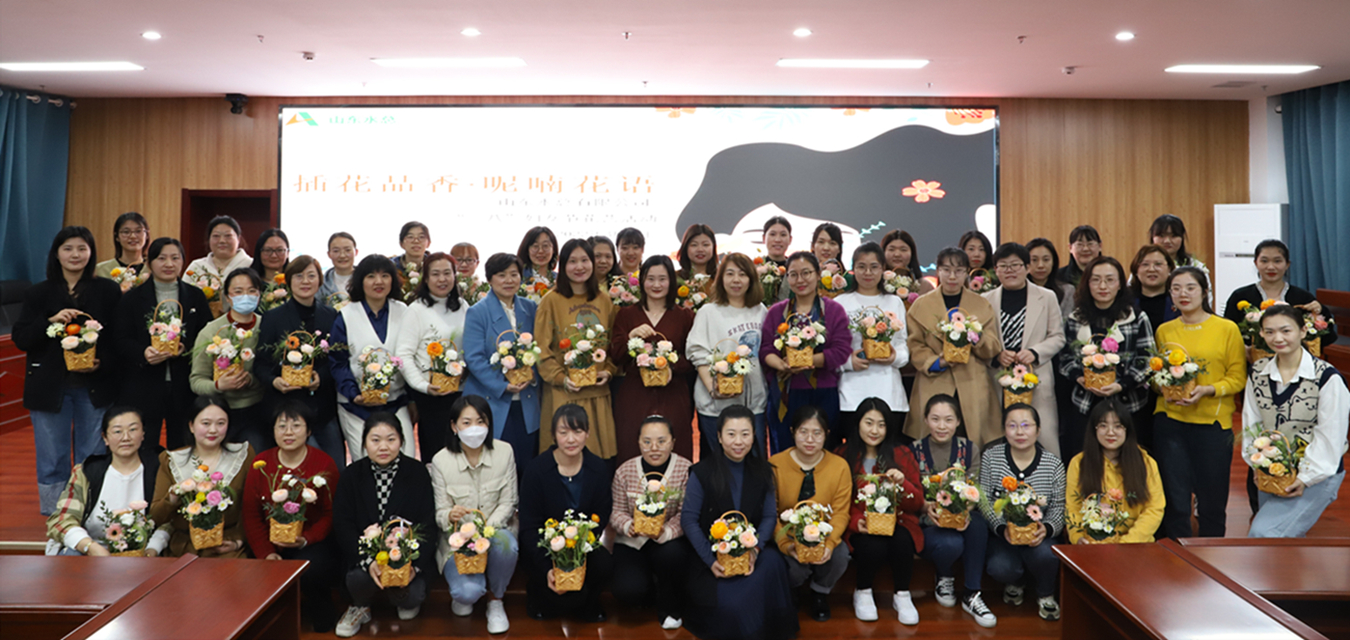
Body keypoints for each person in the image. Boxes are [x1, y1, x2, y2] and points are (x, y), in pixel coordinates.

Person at [14, 226, 122, 514]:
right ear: (56, 254)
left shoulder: (108, 290)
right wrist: (50, 321)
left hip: (94, 386)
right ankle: (57, 515)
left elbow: (118, 338)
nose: (75, 255)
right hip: (49, 388)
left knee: (93, 454)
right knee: (52, 457)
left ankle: (91, 511)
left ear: (91, 253)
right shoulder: (37, 293)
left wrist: (103, 362)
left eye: (82, 248)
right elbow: (21, 338)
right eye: (68, 248)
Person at [680, 405, 798, 640]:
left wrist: (755, 550)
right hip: (712, 559)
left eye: (745, 434)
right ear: (719, 436)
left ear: (754, 436)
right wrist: (711, 560)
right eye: (731, 434)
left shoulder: (764, 471)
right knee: (731, 608)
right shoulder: (702, 472)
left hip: (752, 554)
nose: (738, 442)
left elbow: (769, 516)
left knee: (774, 562)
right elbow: (689, 520)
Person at [1153, 266, 1246, 539]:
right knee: (1176, 499)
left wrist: (1208, 390)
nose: (1183, 293)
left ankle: (1212, 555)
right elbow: (1156, 375)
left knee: (1212, 500)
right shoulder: (1164, 330)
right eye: (1176, 288)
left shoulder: (1226, 328)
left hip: (1212, 423)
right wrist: (1164, 387)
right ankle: (1176, 555)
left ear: (1205, 292)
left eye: (1190, 287)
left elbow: (1237, 378)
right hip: (1171, 422)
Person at [1244, 304, 1349, 538]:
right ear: (1261, 334)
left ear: (1302, 331)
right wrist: (1256, 463)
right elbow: (1252, 423)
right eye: (1269, 332)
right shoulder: (1258, 372)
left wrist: (1305, 478)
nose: (1277, 338)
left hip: (1316, 472)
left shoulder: (1327, 378)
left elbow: (1330, 436)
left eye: (1286, 331)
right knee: (1279, 544)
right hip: (1273, 470)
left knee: (1264, 534)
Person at [332, 412, 436, 637]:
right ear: (364, 443)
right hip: (366, 560)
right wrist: (368, 561)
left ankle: (400, 599)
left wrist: (412, 567)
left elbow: (428, 523)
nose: (383, 447)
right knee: (357, 580)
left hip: (406, 561)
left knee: (412, 597)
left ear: (402, 441)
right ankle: (360, 607)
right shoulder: (351, 475)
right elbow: (343, 525)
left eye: (391, 439)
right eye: (375, 440)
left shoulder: (417, 472)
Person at [241, 401, 341, 632]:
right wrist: (266, 553)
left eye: (296, 426)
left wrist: (306, 539)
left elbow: (330, 514)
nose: (288, 432)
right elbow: (251, 515)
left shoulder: (324, 464)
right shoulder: (261, 464)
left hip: (310, 541)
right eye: (282, 426)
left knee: (313, 567)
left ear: (309, 431)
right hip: (269, 542)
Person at [428, 395, 518, 634]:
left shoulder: (504, 451)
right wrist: (450, 516)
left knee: (507, 545)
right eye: (466, 423)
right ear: (454, 426)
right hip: (458, 541)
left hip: (495, 530)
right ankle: (469, 592)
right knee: (466, 593)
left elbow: (508, 502)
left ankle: (496, 600)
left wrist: (484, 531)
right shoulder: (440, 461)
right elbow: (439, 512)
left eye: (481, 421)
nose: (474, 428)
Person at [519, 405, 615, 622]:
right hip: (544, 550)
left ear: (587, 433)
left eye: (578, 431)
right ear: (554, 435)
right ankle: (539, 594)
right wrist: (548, 569)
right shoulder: (536, 470)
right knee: (558, 604)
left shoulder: (598, 468)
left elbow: (602, 512)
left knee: (604, 564)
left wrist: (580, 546)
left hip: (582, 547)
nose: (571, 439)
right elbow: (529, 525)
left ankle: (589, 602)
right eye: (563, 432)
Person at [114, 237, 211, 451]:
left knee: (183, 445)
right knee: (145, 445)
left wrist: (185, 347)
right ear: (149, 263)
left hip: (184, 384)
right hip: (144, 384)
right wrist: (143, 352)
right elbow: (120, 339)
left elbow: (206, 336)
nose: (169, 264)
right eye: (161, 258)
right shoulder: (132, 298)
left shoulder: (195, 296)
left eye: (175, 258)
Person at [1056, 256, 1156, 460]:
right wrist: (1079, 377)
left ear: (1120, 284)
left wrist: (1122, 384)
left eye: (1110, 280)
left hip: (1128, 404)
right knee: (1086, 461)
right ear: (1087, 284)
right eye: (1095, 280)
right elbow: (1064, 357)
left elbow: (1147, 360)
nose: (1103, 286)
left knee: (1128, 462)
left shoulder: (1136, 317)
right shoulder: (1075, 318)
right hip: (1085, 403)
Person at [902, 248, 1003, 448]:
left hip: (972, 383)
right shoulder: (921, 306)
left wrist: (975, 337)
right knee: (931, 444)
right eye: (946, 270)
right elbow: (914, 345)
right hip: (934, 381)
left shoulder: (981, 304)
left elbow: (993, 346)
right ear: (938, 271)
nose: (952, 276)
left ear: (967, 272)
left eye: (958, 270)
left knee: (972, 445)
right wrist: (936, 361)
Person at [910, 395, 995, 628]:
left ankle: (972, 593)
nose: (941, 426)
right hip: (928, 523)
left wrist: (964, 509)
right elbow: (911, 494)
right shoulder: (914, 450)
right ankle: (944, 574)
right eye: (935, 419)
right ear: (926, 420)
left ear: (958, 421)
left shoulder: (969, 449)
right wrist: (927, 507)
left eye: (948, 420)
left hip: (962, 519)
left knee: (978, 523)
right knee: (951, 543)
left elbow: (976, 491)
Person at [837, 398, 924, 625]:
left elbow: (917, 502)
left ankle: (902, 595)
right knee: (871, 545)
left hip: (898, 521)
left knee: (902, 540)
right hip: (859, 524)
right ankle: (863, 592)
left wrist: (903, 484)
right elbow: (839, 500)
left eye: (881, 424)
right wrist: (856, 521)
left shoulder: (902, 453)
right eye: (869, 423)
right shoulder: (843, 454)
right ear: (858, 423)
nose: (874, 430)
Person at [252, 256, 343, 468]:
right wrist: (274, 381)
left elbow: (337, 359)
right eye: (299, 276)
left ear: (319, 280)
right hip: (287, 408)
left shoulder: (331, 315)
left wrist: (321, 377)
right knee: (304, 469)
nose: (305, 281)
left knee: (335, 467)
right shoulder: (273, 317)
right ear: (289, 281)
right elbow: (261, 364)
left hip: (323, 408)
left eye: (311, 276)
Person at [978, 404, 1065, 622]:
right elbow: (985, 501)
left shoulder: (1053, 464)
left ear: (1038, 430)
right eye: (1012, 426)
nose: (1020, 432)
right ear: (1004, 430)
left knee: (1047, 556)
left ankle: (1045, 594)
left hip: (1038, 535)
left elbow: (1058, 506)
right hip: (1003, 535)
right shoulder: (991, 457)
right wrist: (1001, 528)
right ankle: (1015, 582)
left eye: (1026, 425)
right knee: (1000, 567)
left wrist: (1047, 529)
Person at [760, 252, 852, 453]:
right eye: (793, 275)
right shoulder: (776, 312)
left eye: (806, 273)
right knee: (785, 450)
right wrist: (782, 364)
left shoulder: (834, 310)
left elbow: (841, 350)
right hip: (786, 393)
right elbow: (766, 349)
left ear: (818, 274)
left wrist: (806, 361)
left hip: (823, 391)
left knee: (822, 449)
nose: (800, 280)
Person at [768, 406, 852, 621]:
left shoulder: (839, 466)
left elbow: (841, 513)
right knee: (790, 566)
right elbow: (770, 513)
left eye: (817, 433)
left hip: (824, 536)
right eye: (803, 432)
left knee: (841, 555)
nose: (810, 439)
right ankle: (792, 591)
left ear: (827, 435)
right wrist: (786, 545)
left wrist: (829, 543)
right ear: (792, 432)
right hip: (788, 536)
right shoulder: (776, 464)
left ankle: (820, 593)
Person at [535, 239, 618, 457]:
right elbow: (541, 349)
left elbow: (613, 344)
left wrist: (608, 371)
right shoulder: (551, 301)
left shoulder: (604, 300)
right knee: (564, 458)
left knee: (598, 462)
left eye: (584, 260)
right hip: (563, 393)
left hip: (597, 394)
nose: (579, 267)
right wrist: (561, 378)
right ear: (563, 265)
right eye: (572, 261)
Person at [46, 407, 169, 556]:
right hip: (93, 550)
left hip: (143, 553)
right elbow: (62, 520)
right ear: (105, 438)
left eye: (133, 429)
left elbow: (168, 520)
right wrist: (90, 546)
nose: (126, 437)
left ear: (143, 433)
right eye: (117, 431)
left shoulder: (159, 469)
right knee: (72, 556)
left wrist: (153, 548)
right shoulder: (87, 471)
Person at [462, 253, 541, 479]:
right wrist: (502, 385)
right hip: (493, 400)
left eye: (514, 274)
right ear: (489, 279)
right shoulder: (478, 312)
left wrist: (532, 375)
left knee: (527, 465)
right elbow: (474, 358)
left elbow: (540, 347)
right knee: (498, 468)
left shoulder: (530, 308)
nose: (509, 280)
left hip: (527, 399)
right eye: (501, 275)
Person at [610, 416, 693, 629]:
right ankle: (648, 590)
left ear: (673, 442)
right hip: (632, 542)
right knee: (628, 590)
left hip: (668, 542)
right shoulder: (625, 471)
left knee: (673, 556)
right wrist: (628, 526)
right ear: (638, 442)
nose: (654, 448)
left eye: (661, 441)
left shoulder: (686, 469)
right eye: (647, 442)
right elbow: (616, 511)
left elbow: (686, 513)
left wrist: (666, 532)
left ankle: (670, 608)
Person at [610, 256, 696, 461]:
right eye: (651, 279)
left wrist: (671, 366)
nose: (656, 285)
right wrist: (631, 337)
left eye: (662, 279)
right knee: (631, 447)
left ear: (671, 281)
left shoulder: (685, 316)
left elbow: (693, 357)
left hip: (673, 394)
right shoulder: (626, 314)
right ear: (642, 282)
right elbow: (616, 356)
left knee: (675, 448)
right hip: (635, 395)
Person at [329, 255, 414, 459]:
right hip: (356, 406)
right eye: (371, 276)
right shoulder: (346, 315)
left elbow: (411, 355)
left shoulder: (404, 311)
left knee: (407, 460)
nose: (378, 282)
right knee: (366, 463)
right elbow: (338, 362)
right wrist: (353, 393)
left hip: (395, 401)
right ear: (360, 281)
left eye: (385, 275)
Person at [984, 243, 1066, 455]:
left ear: (1027, 268)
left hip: (1036, 378)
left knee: (1045, 442)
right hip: (997, 381)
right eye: (1003, 266)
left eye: (1015, 265)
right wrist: (996, 357)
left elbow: (1058, 336)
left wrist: (1035, 352)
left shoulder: (1046, 297)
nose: (1010, 270)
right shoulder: (985, 300)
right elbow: (980, 340)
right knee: (998, 443)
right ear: (996, 270)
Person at [687, 253, 769, 459]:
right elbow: (697, 352)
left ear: (751, 279)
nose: (736, 280)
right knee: (721, 466)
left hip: (754, 405)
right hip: (716, 407)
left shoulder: (760, 310)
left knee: (755, 464)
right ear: (721, 278)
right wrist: (712, 388)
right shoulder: (708, 312)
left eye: (742, 274)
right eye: (730, 274)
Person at [149, 397, 253, 557]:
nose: (213, 430)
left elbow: (251, 509)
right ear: (191, 426)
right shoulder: (172, 460)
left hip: (227, 546)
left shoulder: (242, 455)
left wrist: (238, 541)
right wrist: (174, 495)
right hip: (183, 548)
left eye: (221, 423)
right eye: (206, 423)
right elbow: (156, 516)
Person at [834, 242, 910, 449]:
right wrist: (849, 363)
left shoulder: (894, 302)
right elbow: (832, 351)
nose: (868, 273)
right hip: (851, 394)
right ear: (853, 269)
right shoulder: (840, 302)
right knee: (853, 454)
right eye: (861, 267)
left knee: (888, 455)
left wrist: (893, 357)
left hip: (889, 393)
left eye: (874, 267)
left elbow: (903, 347)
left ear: (883, 269)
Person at [188, 268, 268, 454]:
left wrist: (251, 380)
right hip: (219, 411)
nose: (245, 296)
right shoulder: (212, 331)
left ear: (259, 295)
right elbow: (196, 380)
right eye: (238, 291)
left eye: (251, 291)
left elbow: (272, 371)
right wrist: (218, 385)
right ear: (228, 297)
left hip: (258, 408)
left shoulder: (266, 326)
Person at [395, 252, 467, 454]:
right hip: (432, 396)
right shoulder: (416, 310)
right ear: (425, 278)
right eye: (435, 274)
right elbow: (403, 355)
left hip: (461, 393)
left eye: (447, 273)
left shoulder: (463, 306)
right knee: (438, 453)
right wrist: (422, 386)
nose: (442, 279)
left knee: (463, 450)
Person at [1066, 399, 1164, 544]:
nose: (1110, 432)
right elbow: (1073, 507)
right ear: (1094, 429)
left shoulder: (1146, 463)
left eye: (1118, 426)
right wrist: (1077, 537)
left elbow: (1154, 509)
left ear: (1127, 430)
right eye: (1103, 426)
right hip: (1093, 545)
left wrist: (1126, 543)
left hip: (1137, 545)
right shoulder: (1079, 463)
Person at [1222, 239, 1323, 325]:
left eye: (1277, 261)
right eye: (1264, 261)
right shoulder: (1240, 296)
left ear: (1287, 264)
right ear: (1256, 263)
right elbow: (1229, 331)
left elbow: (1325, 331)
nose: (1270, 267)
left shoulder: (1303, 298)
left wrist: (1319, 309)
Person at [184, 215, 253, 302]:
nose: (222, 241)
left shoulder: (250, 265)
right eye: (216, 236)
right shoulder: (197, 266)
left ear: (238, 239)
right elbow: (184, 296)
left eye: (228, 236)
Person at [1129, 244, 1178, 335]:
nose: (1151, 269)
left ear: (1169, 269)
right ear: (1136, 270)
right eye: (1145, 264)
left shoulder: (1178, 299)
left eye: (1158, 264)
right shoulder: (1125, 300)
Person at [93, 212, 148, 287]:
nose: (133, 236)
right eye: (126, 232)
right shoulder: (101, 270)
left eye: (138, 231)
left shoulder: (153, 269)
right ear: (117, 237)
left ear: (146, 235)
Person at [1025, 238, 1074, 319]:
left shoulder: (1067, 291)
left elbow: (1066, 322)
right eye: (1034, 260)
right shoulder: (1019, 291)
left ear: (1053, 262)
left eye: (1046, 260)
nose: (1040, 265)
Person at [880, 229, 935, 295]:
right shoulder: (875, 284)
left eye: (903, 250)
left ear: (912, 253)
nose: (897, 254)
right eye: (891, 249)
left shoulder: (924, 286)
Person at [318, 232, 359, 310]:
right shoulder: (321, 284)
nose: (342, 255)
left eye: (347, 250)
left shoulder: (366, 279)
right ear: (329, 254)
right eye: (336, 251)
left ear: (356, 252)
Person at [761, 216, 793, 303]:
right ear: (764, 238)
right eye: (772, 234)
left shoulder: (795, 269)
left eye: (783, 235)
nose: (778, 240)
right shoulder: (754, 267)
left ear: (790, 239)